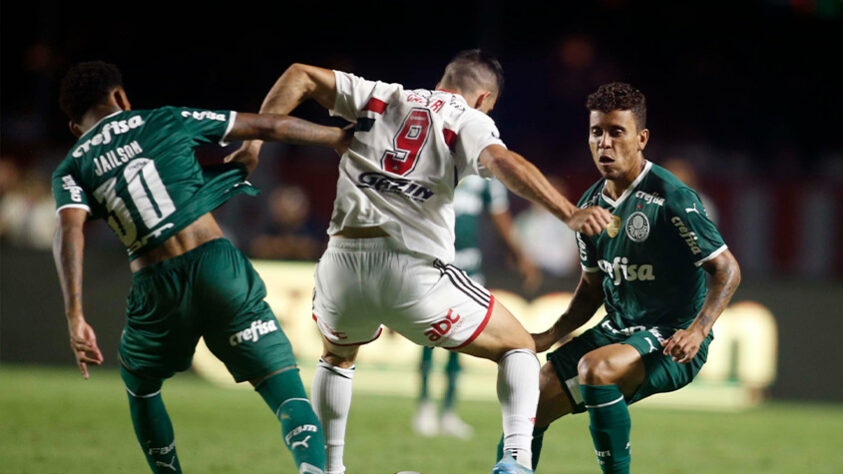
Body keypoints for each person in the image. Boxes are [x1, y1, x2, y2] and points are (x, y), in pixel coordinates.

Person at [233, 49, 612, 474]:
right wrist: (569, 212)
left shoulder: (380, 95)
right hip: (411, 269)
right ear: (485, 98)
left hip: (341, 263)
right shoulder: (468, 118)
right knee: (519, 345)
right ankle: (517, 461)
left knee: (337, 358)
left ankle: (325, 466)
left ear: (443, 81)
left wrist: (253, 140)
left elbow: (299, 74)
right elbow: (501, 161)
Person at [51, 61, 350, 474]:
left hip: (156, 289)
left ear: (74, 128)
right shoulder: (164, 120)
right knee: (283, 387)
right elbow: (269, 126)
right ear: (120, 98)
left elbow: (69, 232)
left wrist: (75, 315)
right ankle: (313, 469)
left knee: (141, 390)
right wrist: (337, 137)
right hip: (216, 267)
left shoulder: (72, 167)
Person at [511, 82, 742, 473]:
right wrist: (550, 335)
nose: (604, 143)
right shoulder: (589, 204)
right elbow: (591, 288)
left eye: (616, 132)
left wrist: (698, 331)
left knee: (596, 370)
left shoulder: (672, 196)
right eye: (596, 132)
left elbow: (727, 269)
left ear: (641, 139)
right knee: (525, 406)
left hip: (672, 334)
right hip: (618, 329)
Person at [412, 174, 540, 439]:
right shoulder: (434, 156)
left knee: (461, 338)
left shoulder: (484, 168)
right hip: (432, 262)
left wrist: (520, 254)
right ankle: (424, 406)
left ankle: (448, 410)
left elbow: (499, 213)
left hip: (468, 265)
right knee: (426, 336)